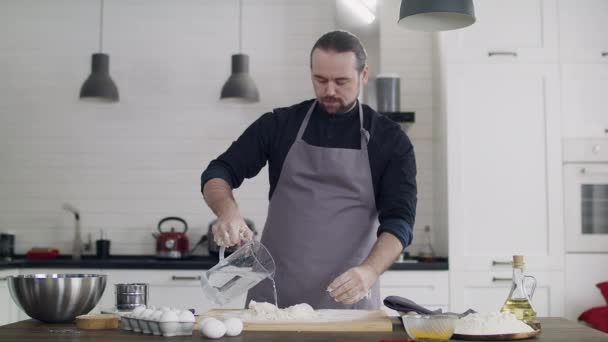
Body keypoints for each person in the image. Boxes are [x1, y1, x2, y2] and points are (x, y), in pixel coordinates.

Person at [201, 30, 416, 310]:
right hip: (273, 301)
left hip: (349, 299)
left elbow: (399, 221)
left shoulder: (390, 140)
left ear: (364, 75)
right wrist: (228, 211)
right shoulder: (279, 125)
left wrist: (370, 271)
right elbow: (219, 171)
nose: (329, 91)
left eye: (341, 81)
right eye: (320, 80)